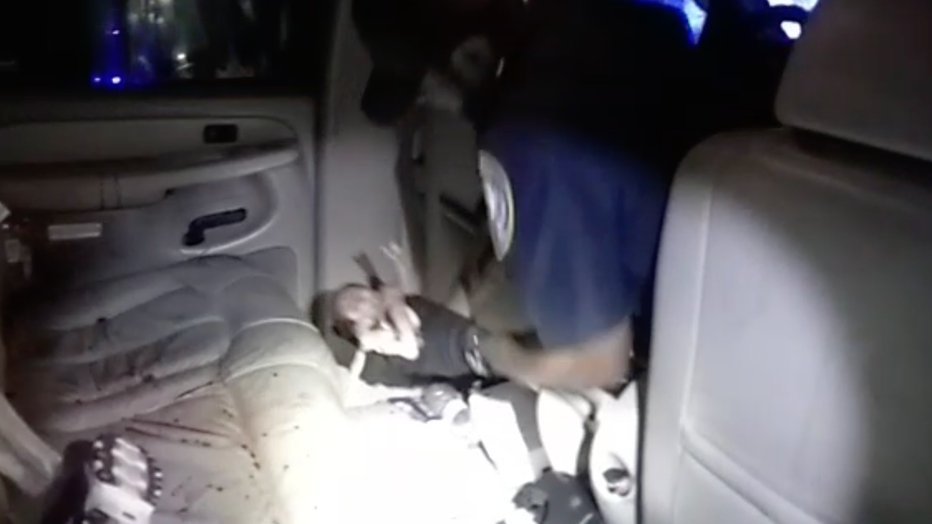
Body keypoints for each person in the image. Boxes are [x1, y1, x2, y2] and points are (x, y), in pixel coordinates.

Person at [333, 0, 697, 390]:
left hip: (664, 357)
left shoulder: (532, 139)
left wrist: (486, 352)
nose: (429, 104)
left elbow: (597, 363)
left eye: (424, 89)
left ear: (471, 55)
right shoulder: (631, 24)